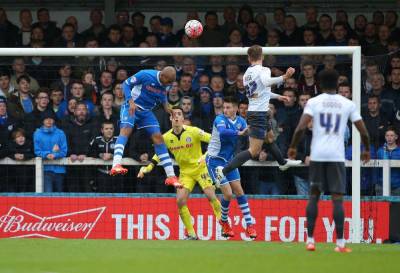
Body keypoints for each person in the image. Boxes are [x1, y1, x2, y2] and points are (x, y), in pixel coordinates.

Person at [288, 69, 371, 253]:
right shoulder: (347, 103)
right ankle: (340, 244)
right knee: (337, 199)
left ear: (320, 83)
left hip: (317, 155)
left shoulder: (314, 102)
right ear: (337, 84)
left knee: (314, 197)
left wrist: (293, 146)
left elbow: (301, 127)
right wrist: (366, 149)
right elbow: (363, 130)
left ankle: (310, 241)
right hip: (336, 156)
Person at [215, 45, 300, 184]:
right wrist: (285, 77)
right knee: (254, 150)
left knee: (270, 138)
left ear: (249, 58)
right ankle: (222, 171)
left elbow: (260, 92)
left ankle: (282, 162)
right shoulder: (264, 70)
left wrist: (278, 96)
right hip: (258, 114)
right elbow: (266, 82)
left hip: (257, 112)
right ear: (263, 56)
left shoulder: (248, 73)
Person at [138, 106, 221, 240]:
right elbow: (159, 154)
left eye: (179, 114)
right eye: (174, 115)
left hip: (201, 169)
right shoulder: (165, 137)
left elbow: (214, 141)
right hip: (185, 173)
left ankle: (224, 225)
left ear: (183, 118)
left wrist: (205, 156)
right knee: (180, 201)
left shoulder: (193, 131)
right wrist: (147, 168)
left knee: (210, 195)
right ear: (170, 118)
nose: (176, 117)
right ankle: (191, 233)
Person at [109, 67, 182, 188]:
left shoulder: (166, 84)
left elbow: (162, 96)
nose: (169, 85)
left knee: (158, 138)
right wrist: (130, 101)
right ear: (163, 76)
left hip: (146, 112)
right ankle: (116, 165)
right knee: (126, 130)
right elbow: (125, 84)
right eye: (168, 82)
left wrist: (168, 108)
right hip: (131, 107)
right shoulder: (145, 74)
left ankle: (171, 176)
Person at [206, 96, 256, 239]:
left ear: (235, 109)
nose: (225, 110)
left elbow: (248, 135)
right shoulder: (220, 119)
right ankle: (224, 221)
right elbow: (222, 132)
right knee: (227, 194)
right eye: (224, 108)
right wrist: (239, 133)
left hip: (229, 161)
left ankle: (249, 225)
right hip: (215, 161)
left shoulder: (241, 121)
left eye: (228, 108)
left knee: (239, 191)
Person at [34, 111, 68, 192]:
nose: (49, 120)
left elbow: (64, 151)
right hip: (45, 170)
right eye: (46, 118)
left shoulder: (61, 133)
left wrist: (55, 155)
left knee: (60, 196)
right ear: (43, 120)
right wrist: (47, 154)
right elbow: (37, 150)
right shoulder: (37, 133)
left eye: (51, 118)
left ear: (54, 120)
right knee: (48, 196)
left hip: (59, 170)